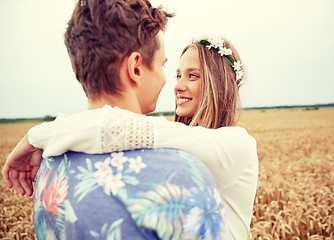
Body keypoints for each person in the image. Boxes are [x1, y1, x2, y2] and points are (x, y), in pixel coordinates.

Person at [2, 0, 228, 239]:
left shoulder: (48, 166)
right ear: (136, 69)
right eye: (163, 66)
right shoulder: (184, 175)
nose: (166, 82)